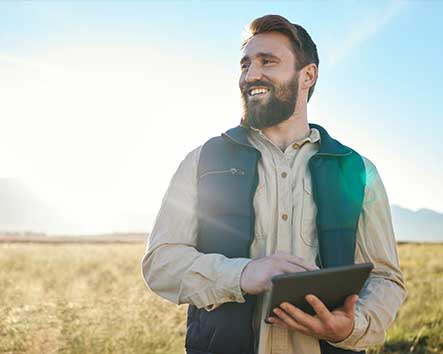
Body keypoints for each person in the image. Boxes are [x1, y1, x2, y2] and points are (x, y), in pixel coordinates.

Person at [142, 14, 406, 354]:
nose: (252, 75)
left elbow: (385, 278)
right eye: (245, 64)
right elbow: (160, 264)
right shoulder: (202, 161)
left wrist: (352, 327)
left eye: (268, 62)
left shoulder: (357, 170)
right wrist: (241, 275)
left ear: (307, 75)